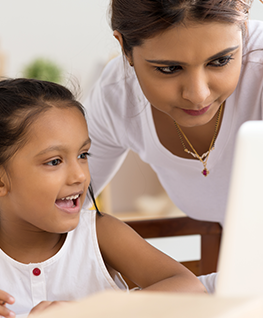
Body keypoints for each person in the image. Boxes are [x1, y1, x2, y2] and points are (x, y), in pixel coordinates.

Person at [0, 78, 205, 318]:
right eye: (54, 161)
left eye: (83, 155)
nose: (79, 175)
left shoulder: (101, 234)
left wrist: (89, 311)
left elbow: (191, 288)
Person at [83, 0, 263, 293]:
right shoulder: (117, 96)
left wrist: (142, 302)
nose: (197, 94)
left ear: (243, 28)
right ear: (125, 48)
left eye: (220, 61)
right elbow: (52, 210)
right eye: (169, 68)